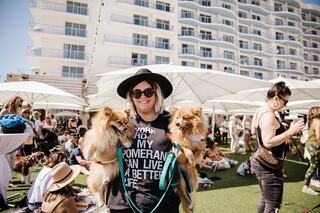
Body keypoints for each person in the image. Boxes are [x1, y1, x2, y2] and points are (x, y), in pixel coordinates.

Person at [107, 69, 180, 212]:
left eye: (148, 92)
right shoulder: (122, 121)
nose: (142, 97)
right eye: (136, 93)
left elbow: (188, 149)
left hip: (163, 204)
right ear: (131, 97)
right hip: (123, 204)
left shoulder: (171, 121)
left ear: (156, 93)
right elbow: (102, 153)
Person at [251, 81, 304, 213]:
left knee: (265, 198)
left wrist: (280, 131)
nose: (284, 104)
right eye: (284, 101)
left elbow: (254, 131)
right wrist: (290, 132)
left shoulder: (260, 110)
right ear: (275, 97)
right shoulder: (269, 115)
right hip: (269, 163)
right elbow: (268, 142)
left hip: (260, 160)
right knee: (273, 204)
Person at [302, 106, 320, 195]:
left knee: (314, 165)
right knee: (313, 166)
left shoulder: (312, 121)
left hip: (311, 145)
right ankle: (305, 187)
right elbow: (318, 137)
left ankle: (306, 186)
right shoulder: (317, 121)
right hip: (315, 145)